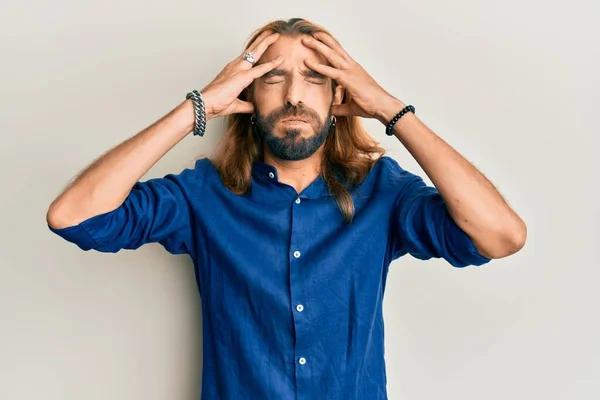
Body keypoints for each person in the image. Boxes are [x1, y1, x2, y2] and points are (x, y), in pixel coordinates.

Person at [46, 17, 526, 400]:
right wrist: (197, 107)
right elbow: (72, 216)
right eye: (272, 78)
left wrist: (388, 109)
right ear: (248, 96)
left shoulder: (384, 192)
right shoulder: (204, 195)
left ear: (339, 95)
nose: (294, 95)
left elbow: (502, 235)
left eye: (315, 78)